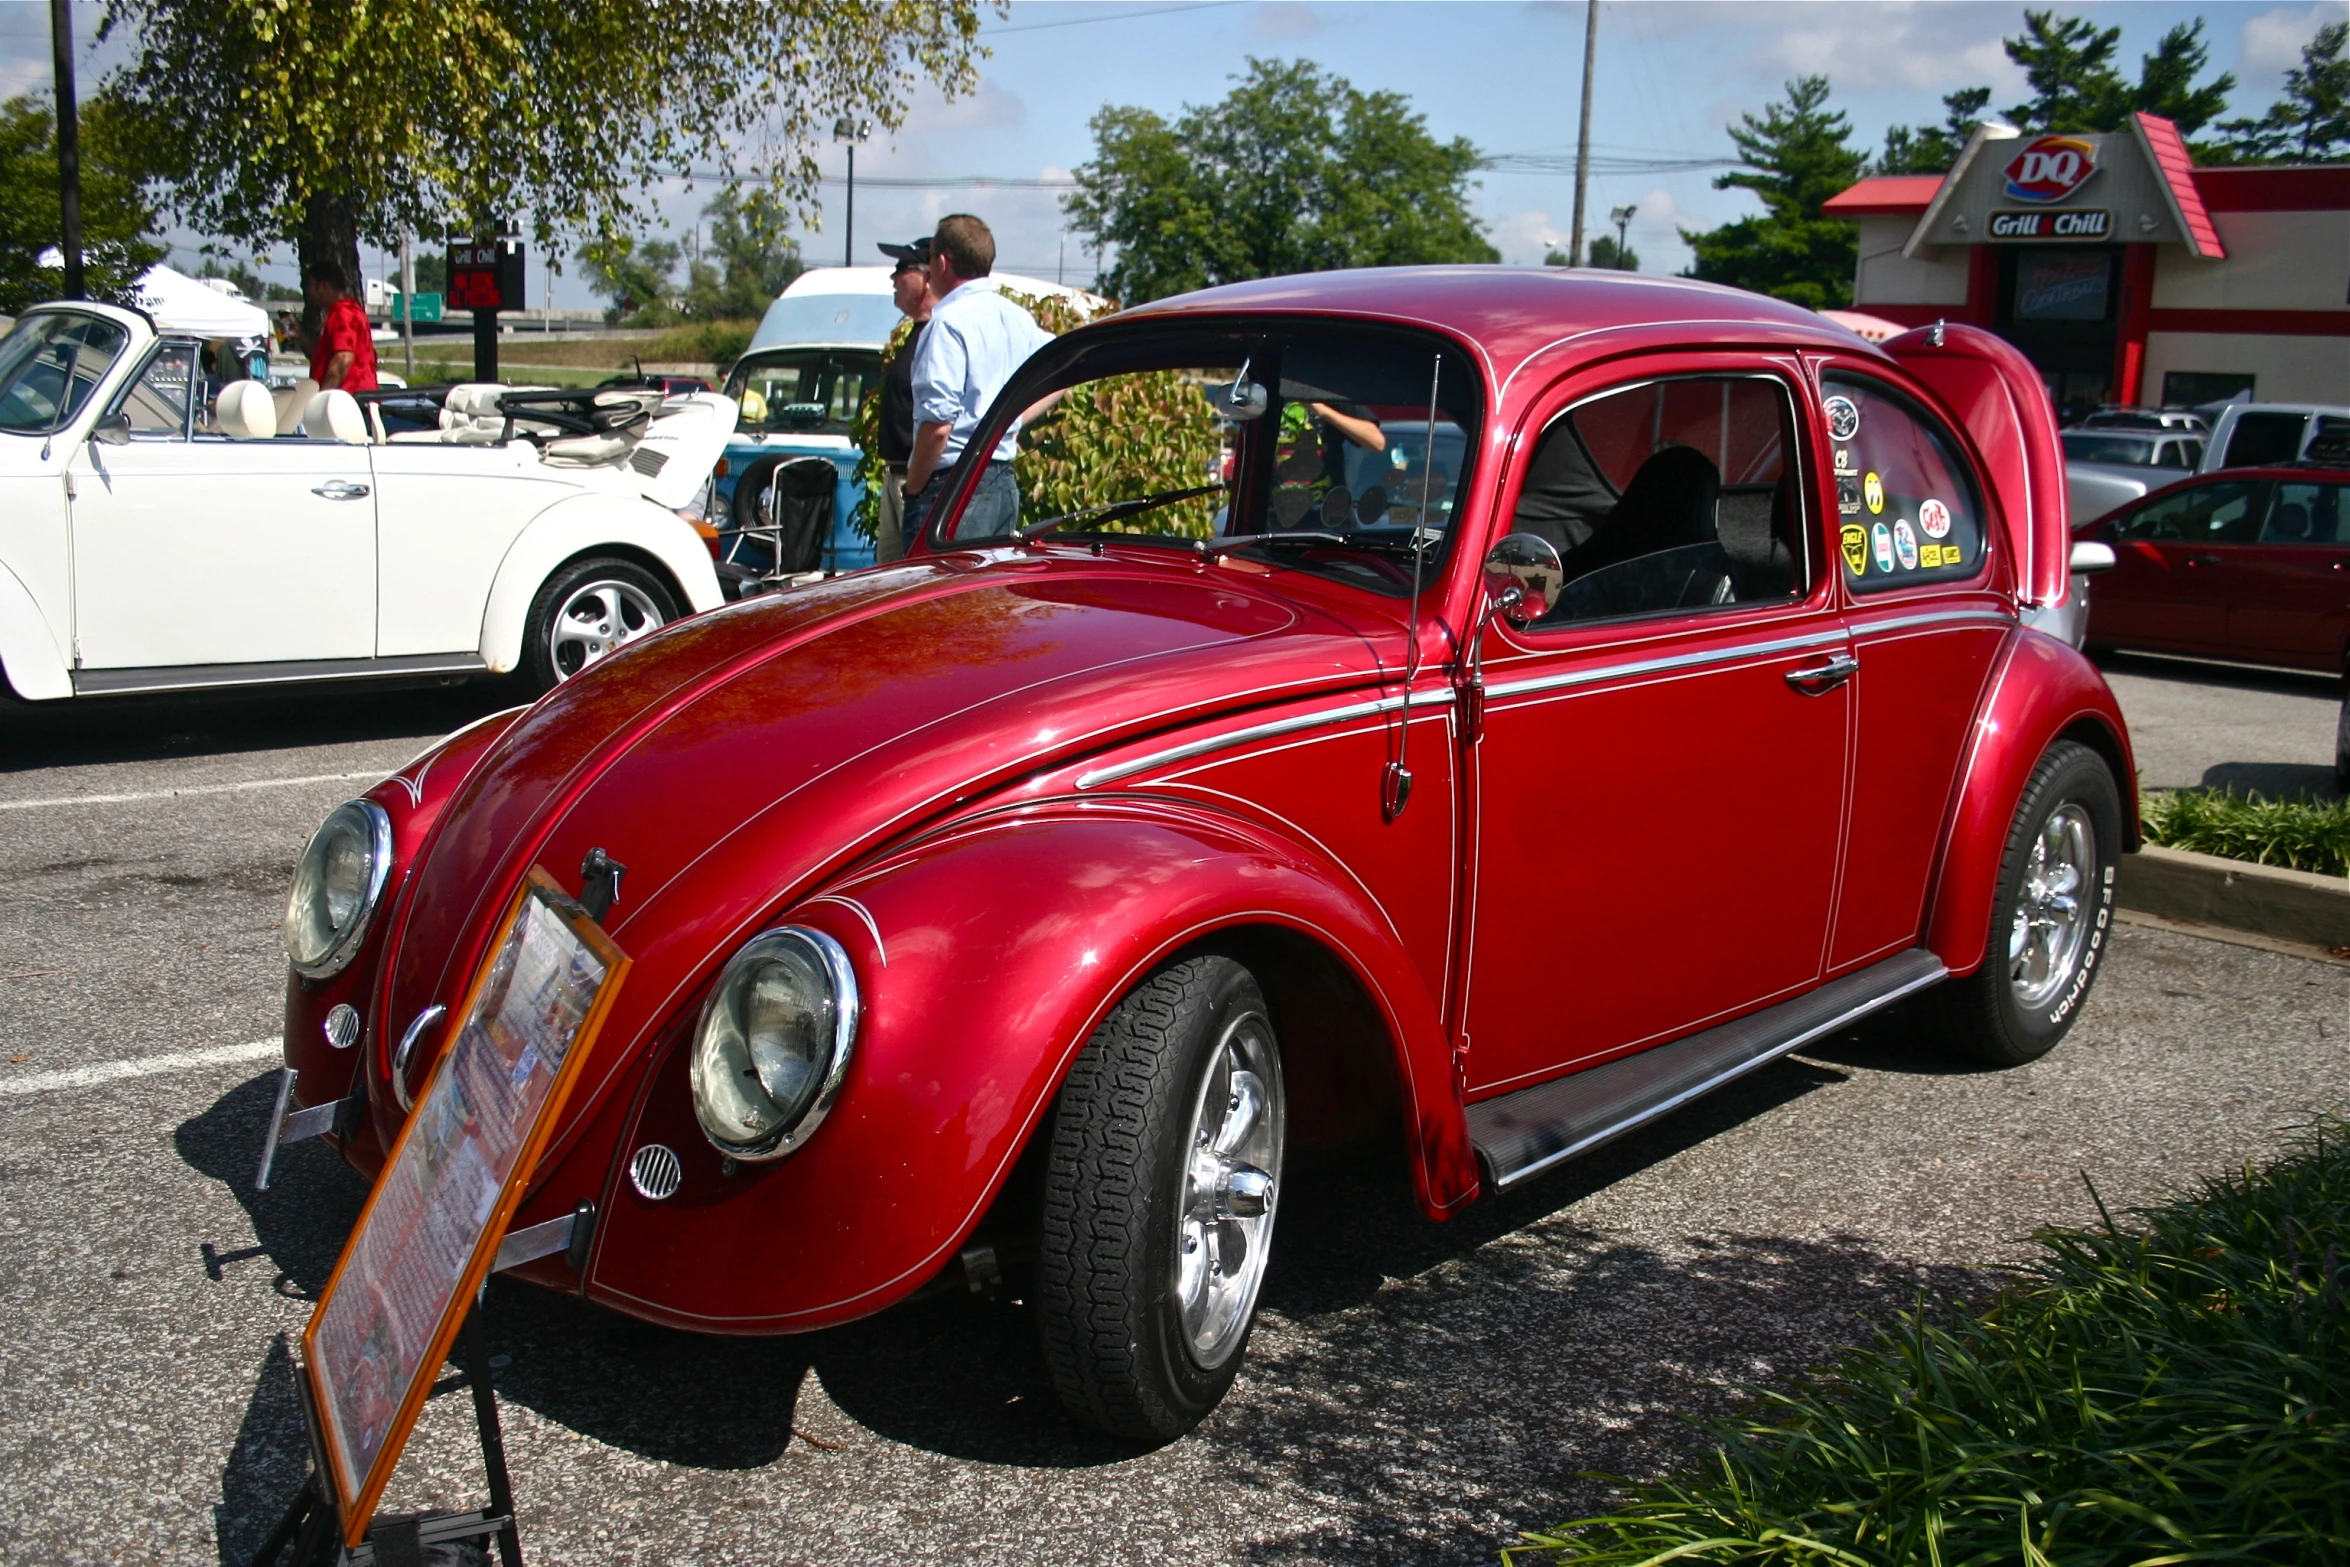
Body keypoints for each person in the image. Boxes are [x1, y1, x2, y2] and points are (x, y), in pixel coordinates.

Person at [903, 214, 1055, 542]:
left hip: (952, 486)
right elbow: (1062, 374)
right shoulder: (1016, 317)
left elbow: (938, 424)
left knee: (936, 591)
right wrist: (1006, 420)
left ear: (942, 262)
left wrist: (913, 487)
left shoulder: (946, 324)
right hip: (1002, 480)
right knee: (986, 591)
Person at [872, 237, 936, 563]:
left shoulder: (940, 334)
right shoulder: (915, 333)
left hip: (919, 482)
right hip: (896, 477)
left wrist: (914, 485)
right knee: (888, 582)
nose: (893, 278)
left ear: (928, 276)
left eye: (902, 269)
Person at [304, 260, 379, 394]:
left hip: (348, 402)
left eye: (309, 286)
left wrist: (320, 400)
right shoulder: (349, 310)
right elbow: (326, 357)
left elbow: (343, 359)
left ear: (323, 286)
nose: (308, 292)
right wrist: (300, 336)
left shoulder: (343, 313)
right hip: (348, 400)